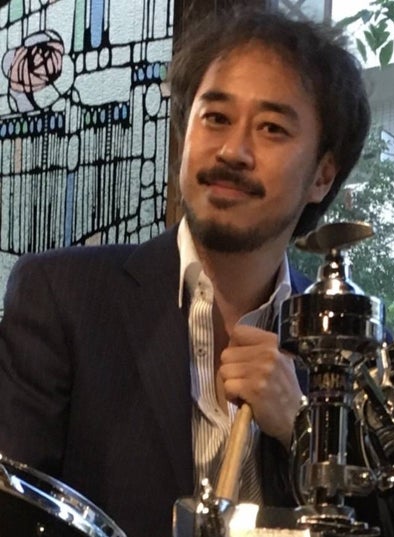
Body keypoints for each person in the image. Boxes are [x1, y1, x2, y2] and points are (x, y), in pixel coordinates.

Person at [0, 8, 371, 537]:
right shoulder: (62, 297)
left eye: (271, 128)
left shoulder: (351, 352)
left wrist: (302, 428)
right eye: (215, 117)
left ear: (322, 175)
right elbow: (15, 511)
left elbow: (386, 518)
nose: (233, 151)